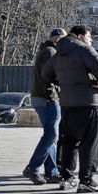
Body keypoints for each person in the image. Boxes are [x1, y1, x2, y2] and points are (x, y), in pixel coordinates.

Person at [43, 25, 98, 193]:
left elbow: (45, 73)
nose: (90, 39)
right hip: (90, 103)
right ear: (80, 35)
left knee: (69, 142)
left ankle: (67, 178)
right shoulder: (85, 50)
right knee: (91, 143)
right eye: (89, 36)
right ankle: (86, 180)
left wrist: (63, 84)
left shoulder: (58, 53)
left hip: (67, 103)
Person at [23, 28, 66, 185]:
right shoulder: (51, 52)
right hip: (48, 98)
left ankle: (51, 171)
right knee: (52, 135)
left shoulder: (46, 50)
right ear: (58, 39)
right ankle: (33, 168)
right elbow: (52, 76)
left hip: (42, 97)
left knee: (51, 136)